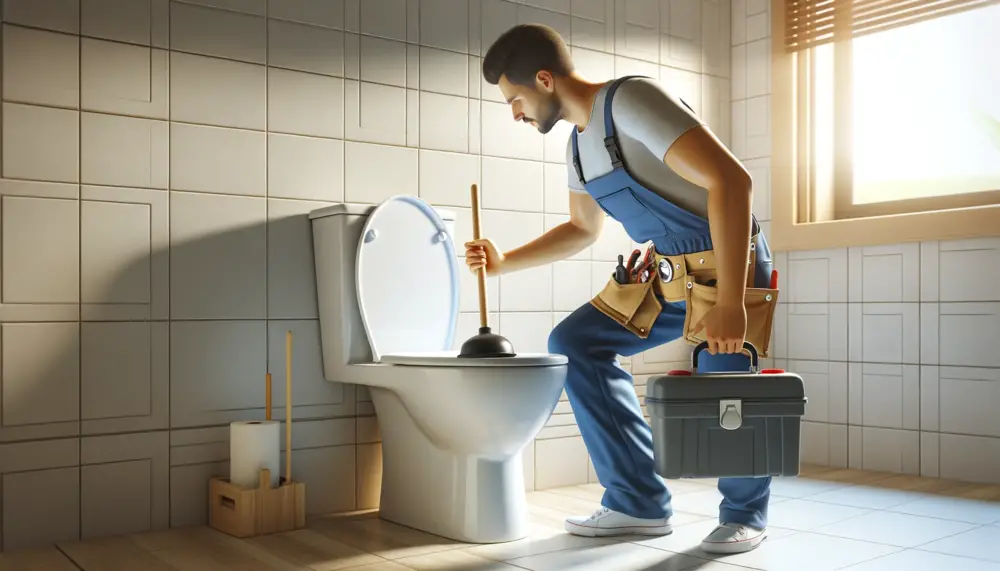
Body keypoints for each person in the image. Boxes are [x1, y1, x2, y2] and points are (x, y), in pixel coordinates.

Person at [467, 24, 777, 555]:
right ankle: (637, 502)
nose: (515, 113)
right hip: (665, 273)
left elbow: (732, 181)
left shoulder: (631, 100)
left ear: (544, 79)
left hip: (726, 260)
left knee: (723, 370)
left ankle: (744, 514)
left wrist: (729, 300)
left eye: (515, 99)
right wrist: (504, 262)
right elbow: (581, 229)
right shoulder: (577, 148)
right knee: (576, 342)